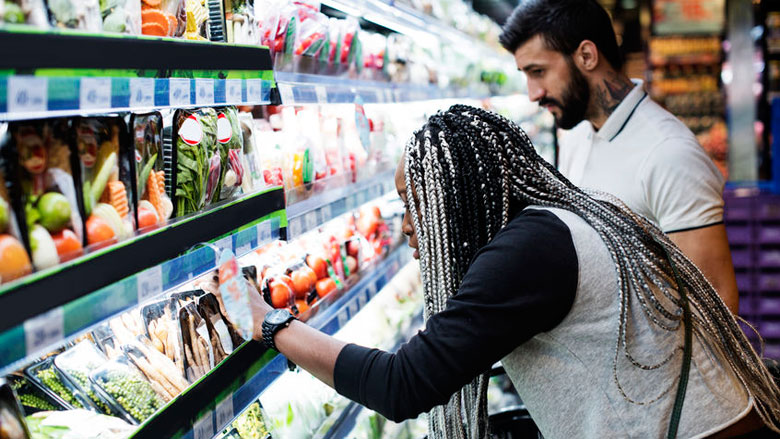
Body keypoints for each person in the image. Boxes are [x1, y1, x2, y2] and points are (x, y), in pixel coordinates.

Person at [250, 105, 780, 438]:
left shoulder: (527, 253)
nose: (407, 226)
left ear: (454, 200)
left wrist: (275, 327)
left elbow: (403, 385)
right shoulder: (555, 222)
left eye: (414, 205)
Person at [497, 0, 739, 313]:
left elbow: (718, 304)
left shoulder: (669, 154)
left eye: (539, 72)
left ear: (586, 55)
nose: (533, 93)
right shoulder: (577, 135)